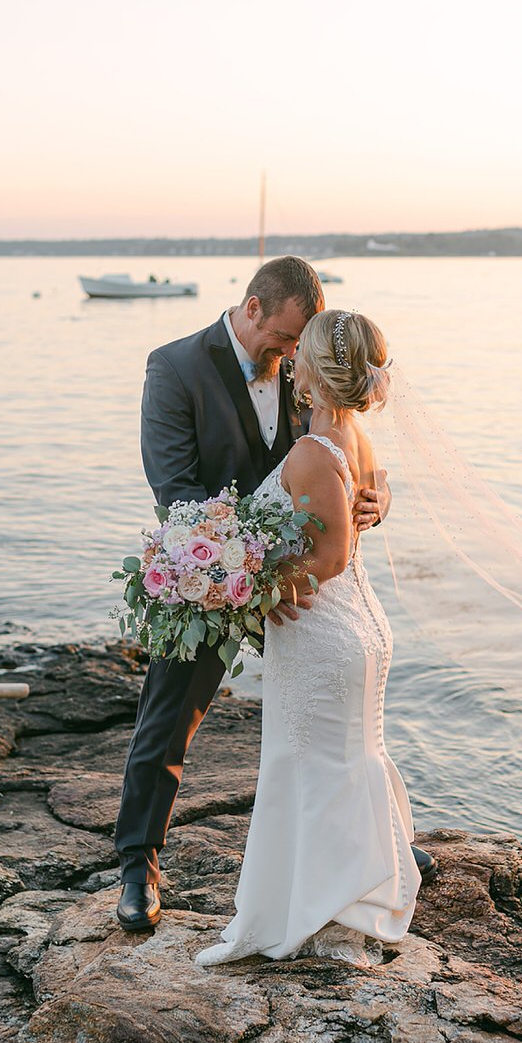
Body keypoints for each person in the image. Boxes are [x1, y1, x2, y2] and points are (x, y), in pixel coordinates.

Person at [114, 258, 402, 932]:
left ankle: (374, 849)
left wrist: (378, 492)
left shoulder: (305, 369)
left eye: (302, 345)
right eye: (284, 338)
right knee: (169, 713)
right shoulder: (175, 367)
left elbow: (342, 443)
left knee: (339, 717)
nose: (292, 354)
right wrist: (240, 571)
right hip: (218, 577)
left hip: (304, 586)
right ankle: (138, 865)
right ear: (252, 309)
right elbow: (175, 491)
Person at [195, 309, 430, 968]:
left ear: (311, 372)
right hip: (358, 628)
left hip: (323, 632)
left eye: (299, 355)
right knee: (346, 766)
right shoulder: (353, 438)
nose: (290, 361)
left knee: (312, 769)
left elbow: (327, 558)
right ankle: (348, 906)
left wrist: (243, 586)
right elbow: (353, 519)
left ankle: (330, 918)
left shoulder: (310, 450)